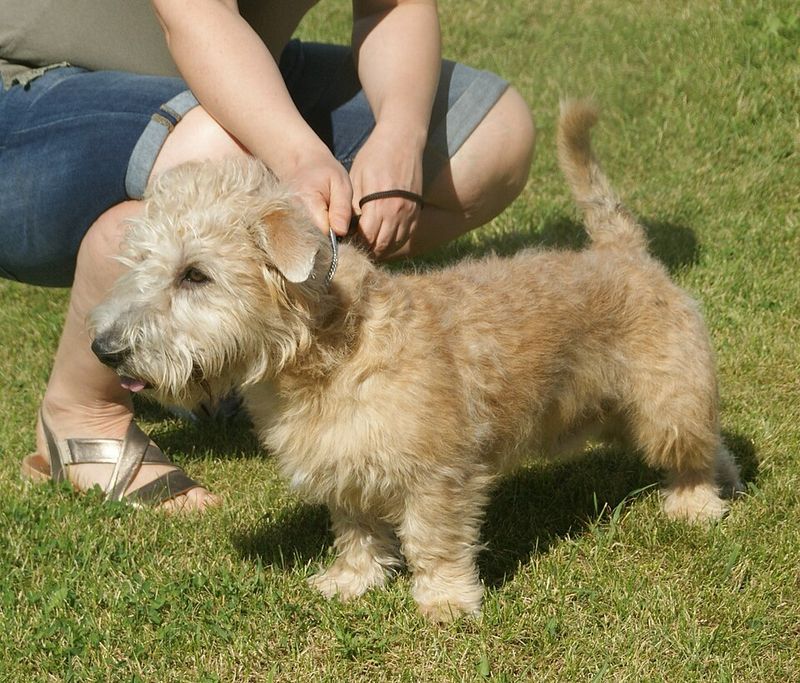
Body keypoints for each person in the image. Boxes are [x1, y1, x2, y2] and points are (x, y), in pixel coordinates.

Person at [0, 0, 535, 510]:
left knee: (492, 137)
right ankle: (82, 413)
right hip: (31, 93)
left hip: (232, 74)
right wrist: (298, 157)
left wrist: (400, 134)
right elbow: (194, 14)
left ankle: (246, 337)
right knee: (220, 152)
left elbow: (390, 7)